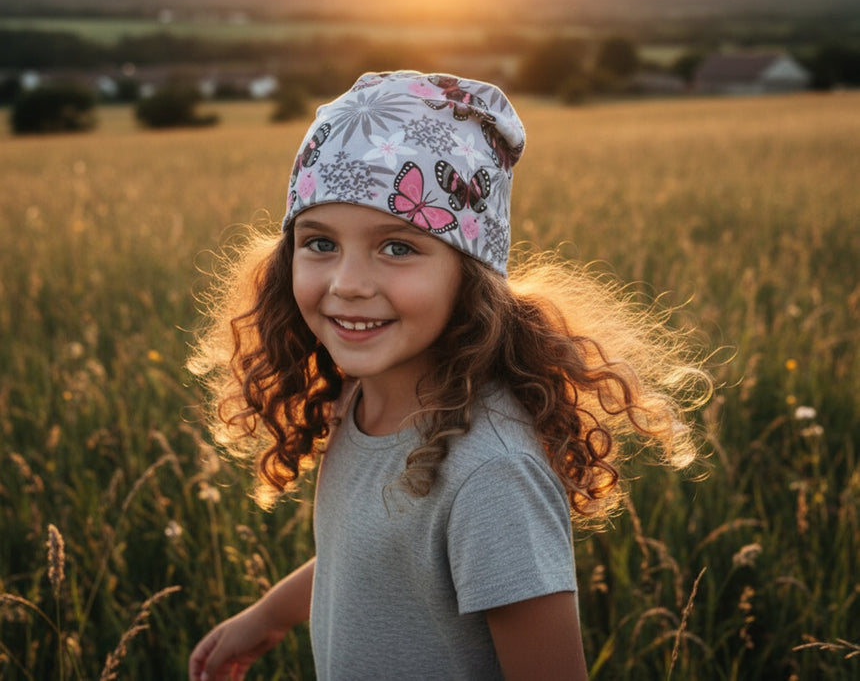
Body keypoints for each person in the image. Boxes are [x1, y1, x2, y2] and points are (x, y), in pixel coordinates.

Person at [187, 70, 711, 681]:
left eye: (398, 248)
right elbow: (377, 554)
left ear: (470, 274)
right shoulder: (360, 399)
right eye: (320, 243)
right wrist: (269, 616)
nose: (347, 284)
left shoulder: (491, 475)